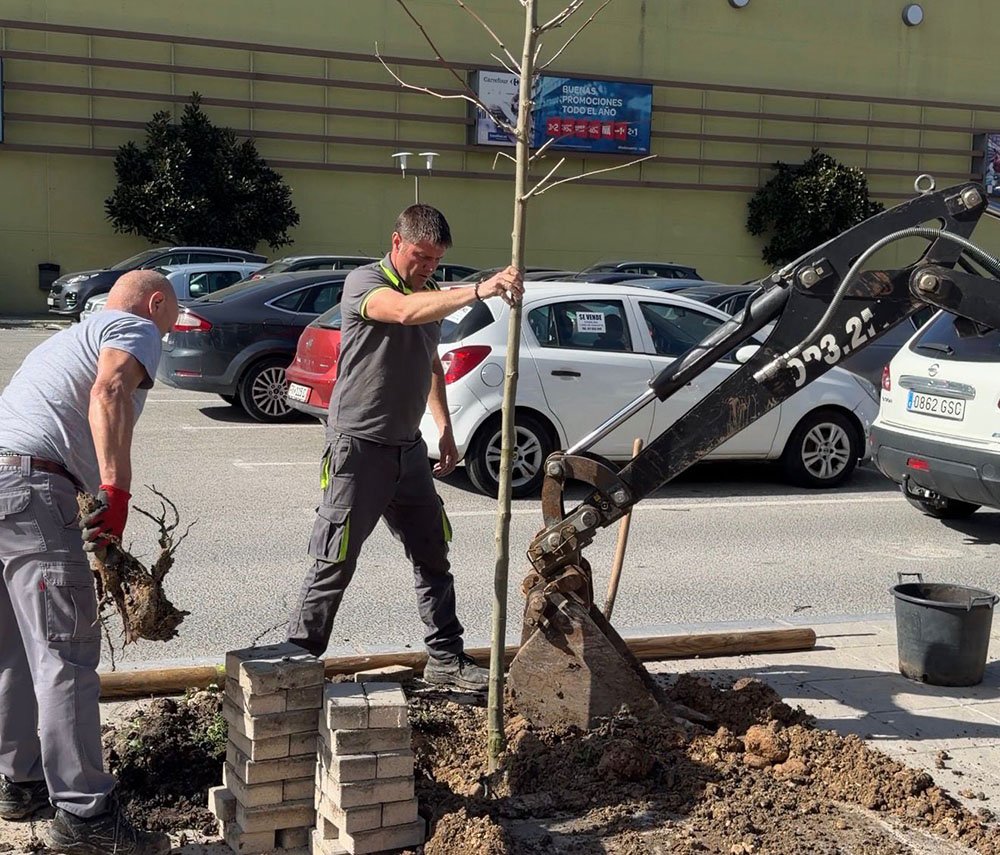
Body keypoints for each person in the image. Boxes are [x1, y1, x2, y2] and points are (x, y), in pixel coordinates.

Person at [287, 205, 523, 689]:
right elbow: (401, 312)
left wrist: (446, 432)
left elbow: (430, 363)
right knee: (334, 560)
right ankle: (294, 666)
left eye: (435, 261)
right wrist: (479, 290)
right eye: (420, 257)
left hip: (408, 451)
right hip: (359, 448)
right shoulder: (365, 284)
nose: (427, 268)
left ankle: (445, 659)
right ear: (397, 242)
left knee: (432, 554)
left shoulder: (430, 292)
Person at [0, 270, 179, 855]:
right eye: (172, 317)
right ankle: (86, 819)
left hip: (5, 481)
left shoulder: (65, 338)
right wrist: (115, 490)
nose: (169, 332)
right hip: (35, 488)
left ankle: (20, 782)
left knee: (15, 650)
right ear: (156, 302)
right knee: (65, 653)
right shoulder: (134, 325)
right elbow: (110, 392)